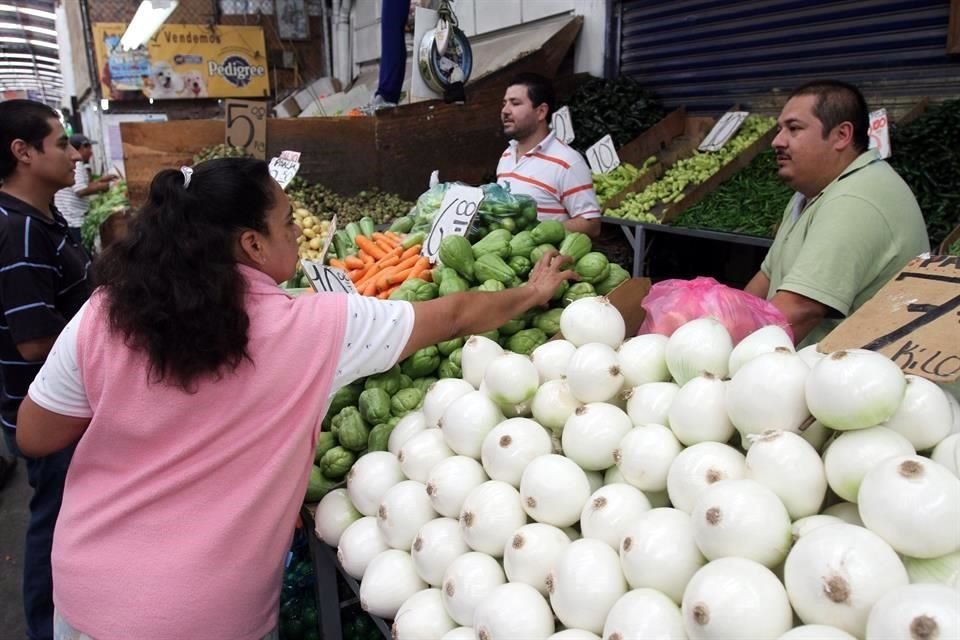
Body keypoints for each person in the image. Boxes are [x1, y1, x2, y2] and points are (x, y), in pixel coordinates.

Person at [16, 157, 576, 640]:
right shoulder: (319, 326)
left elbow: (36, 434)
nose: (294, 233)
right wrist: (532, 291)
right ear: (252, 244)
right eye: (286, 223)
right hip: (206, 613)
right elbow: (451, 314)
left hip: (85, 592)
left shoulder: (104, 312)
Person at [0, 100, 92, 640]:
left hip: (58, 406)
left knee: (62, 521)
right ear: (24, 153)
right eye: (60, 143)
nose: (74, 154)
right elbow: (35, 341)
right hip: (48, 412)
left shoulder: (42, 220)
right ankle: (44, 626)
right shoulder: (19, 232)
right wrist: (115, 340)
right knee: (54, 527)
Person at [744, 80, 929, 346]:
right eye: (779, 129)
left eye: (794, 128)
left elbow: (800, 309)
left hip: (859, 380)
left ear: (842, 135)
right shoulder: (809, 194)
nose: (777, 141)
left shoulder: (857, 198)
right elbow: (766, 280)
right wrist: (721, 322)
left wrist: (728, 356)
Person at [497, 73, 602, 238]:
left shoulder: (567, 162)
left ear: (541, 112)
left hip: (546, 261)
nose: (505, 111)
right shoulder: (506, 155)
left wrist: (536, 233)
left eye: (515, 103)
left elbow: (591, 223)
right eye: (504, 104)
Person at [53, 134, 117, 247]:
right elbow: (80, 190)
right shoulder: (77, 164)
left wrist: (102, 180)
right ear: (82, 147)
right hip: (74, 220)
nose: (91, 152)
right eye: (89, 148)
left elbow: (81, 185)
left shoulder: (78, 165)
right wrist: (108, 186)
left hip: (72, 218)